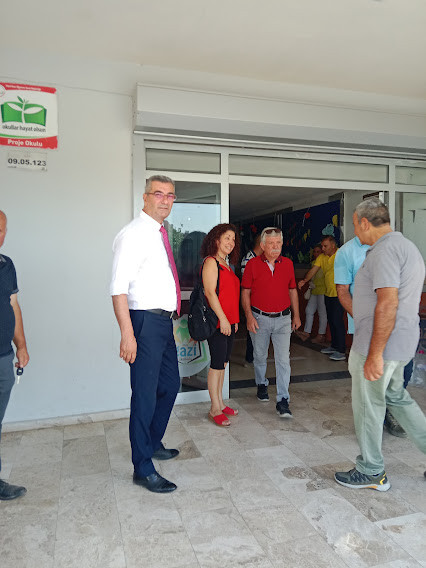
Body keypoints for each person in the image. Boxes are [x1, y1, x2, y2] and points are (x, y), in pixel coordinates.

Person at [334, 198, 426, 491]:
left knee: (368, 405)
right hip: (401, 343)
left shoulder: (385, 251)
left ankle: (371, 470)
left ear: (364, 222)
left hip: (379, 345)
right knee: (398, 398)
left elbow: (387, 303)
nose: (355, 232)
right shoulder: (407, 247)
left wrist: (374, 354)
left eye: (355, 225)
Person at [110, 175, 181, 494]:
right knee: (144, 395)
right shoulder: (133, 234)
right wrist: (128, 334)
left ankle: (151, 443)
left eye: (170, 195)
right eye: (159, 194)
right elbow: (118, 289)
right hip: (143, 322)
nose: (165, 200)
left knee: (170, 385)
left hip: (163, 323)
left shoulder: (159, 233)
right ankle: (142, 467)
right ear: (145, 197)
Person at [335, 234, 409, 438]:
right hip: (366, 324)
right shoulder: (347, 252)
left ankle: (390, 412)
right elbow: (342, 290)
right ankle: (370, 421)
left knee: (402, 369)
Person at [241, 227, 301, 417]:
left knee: (283, 360)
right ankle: (261, 383)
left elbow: (292, 290)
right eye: (271, 243)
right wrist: (249, 316)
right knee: (259, 356)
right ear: (262, 245)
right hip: (259, 318)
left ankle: (283, 400)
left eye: (278, 243)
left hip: (283, 319)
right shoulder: (252, 264)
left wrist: (297, 315)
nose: (275, 246)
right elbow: (245, 292)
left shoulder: (288, 264)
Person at [0, 210, 29, 500]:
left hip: (3, 357)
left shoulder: (6, 265)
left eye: (2, 230)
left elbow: (13, 306)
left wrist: (21, 346)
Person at [200, 224, 240, 427]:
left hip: (229, 322)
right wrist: (223, 319)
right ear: (216, 240)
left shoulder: (227, 264)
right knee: (216, 365)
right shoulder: (211, 262)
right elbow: (210, 293)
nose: (231, 242)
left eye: (233, 239)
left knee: (223, 364)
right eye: (227, 238)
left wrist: (234, 320)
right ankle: (214, 408)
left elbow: (229, 295)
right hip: (218, 323)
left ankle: (221, 403)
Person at [298, 235, 346, 361]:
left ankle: (341, 350)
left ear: (333, 245)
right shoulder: (322, 257)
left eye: (325, 246)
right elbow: (313, 270)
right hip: (327, 293)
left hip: (340, 294)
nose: (323, 248)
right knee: (331, 320)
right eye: (322, 246)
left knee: (337, 321)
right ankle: (334, 346)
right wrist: (304, 280)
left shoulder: (342, 254)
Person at [295, 244, 327, 344]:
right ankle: (306, 333)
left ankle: (321, 335)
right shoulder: (313, 263)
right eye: (315, 252)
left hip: (323, 290)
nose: (316, 254)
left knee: (322, 313)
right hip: (314, 290)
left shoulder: (325, 261)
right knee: (309, 310)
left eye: (318, 252)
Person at [241, 234, 262, 366]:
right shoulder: (248, 259)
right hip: (252, 301)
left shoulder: (262, 259)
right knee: (253, 331)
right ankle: (250, 358)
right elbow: (247, 285)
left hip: (260, 301)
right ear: (261, 244)